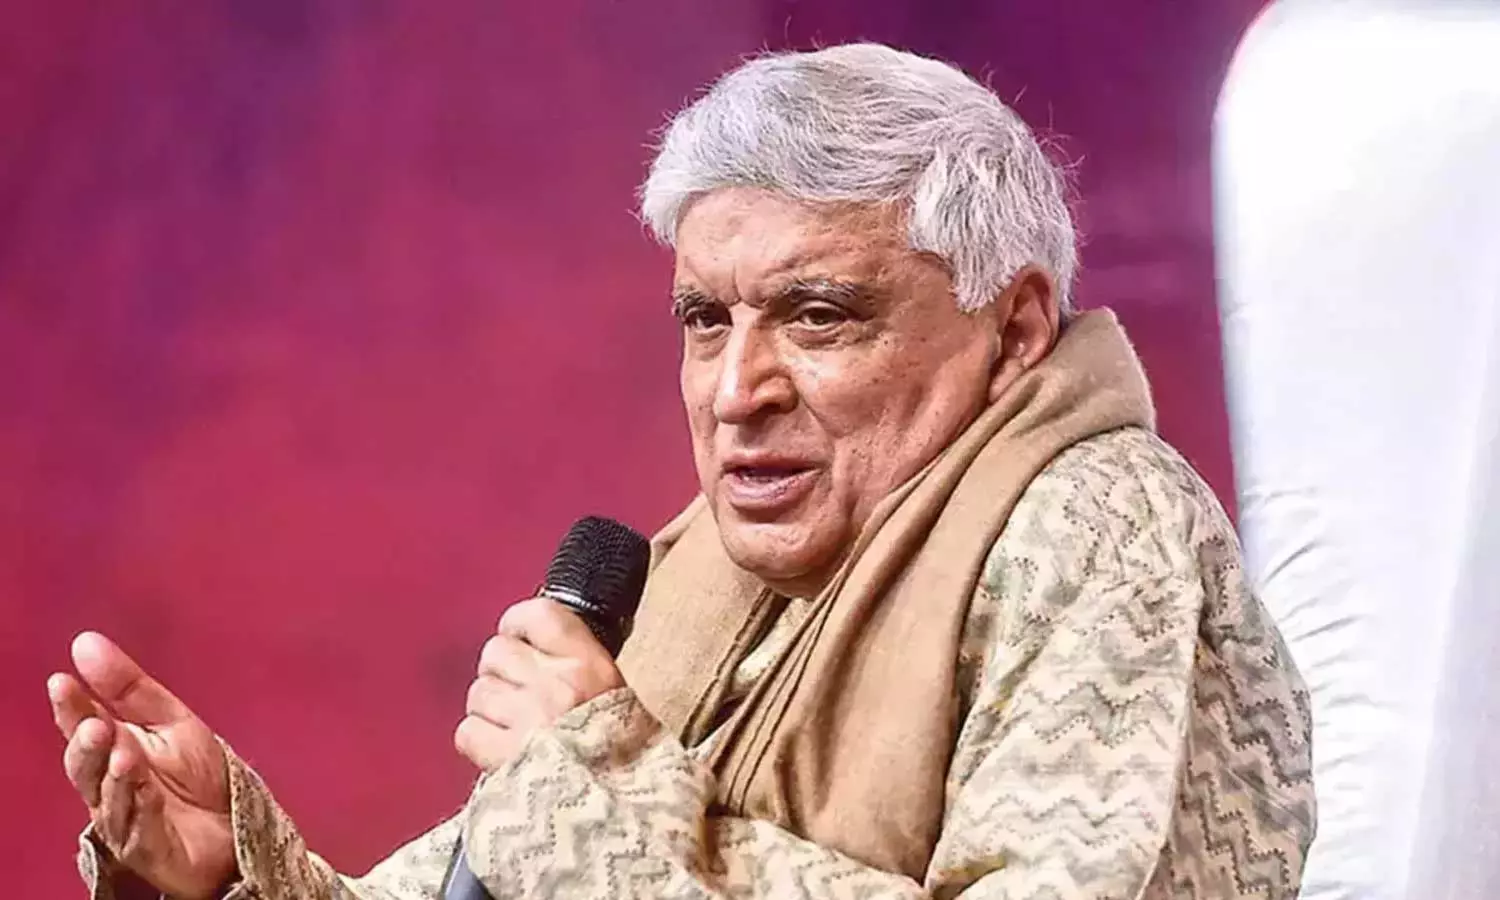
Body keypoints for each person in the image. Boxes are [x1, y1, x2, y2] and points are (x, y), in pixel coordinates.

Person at [48, 42, 1316, 900]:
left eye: (818, 315)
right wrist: (234, 873)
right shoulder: (718, 561)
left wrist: (594, 776)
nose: (735, 389)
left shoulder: (1097, 522)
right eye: (706, 320)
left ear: (1017, 328)